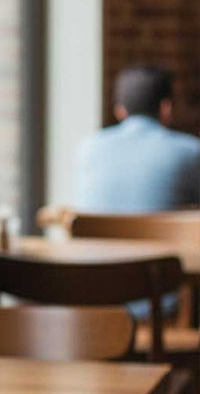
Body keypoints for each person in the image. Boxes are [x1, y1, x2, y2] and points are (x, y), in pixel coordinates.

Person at [73, 64, 200, 319]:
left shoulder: (87, 149)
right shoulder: (191, 152)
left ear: (120, 110)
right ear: (166, 107)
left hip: (94, 299)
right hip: (161, 304)